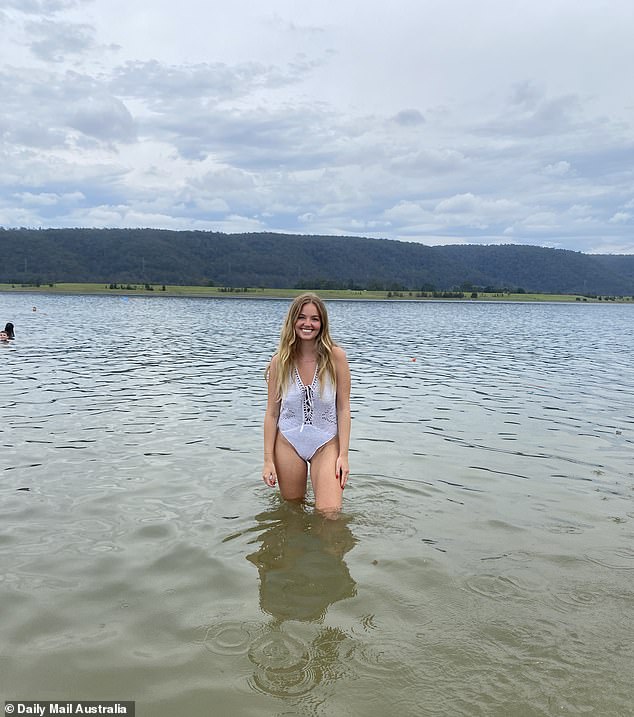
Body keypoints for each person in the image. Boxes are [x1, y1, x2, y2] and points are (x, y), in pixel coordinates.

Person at [262, 293, 351, 514]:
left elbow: (344, 408)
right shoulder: (279, 362)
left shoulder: (336, 357)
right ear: (293, 321)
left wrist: (344, 455)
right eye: (302, 317)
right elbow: (272, 414)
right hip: (288, 443)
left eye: (315, 319)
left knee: (330, 514)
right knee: (293, 514)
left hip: (327, 442)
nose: (308, 324)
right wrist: (268, 461)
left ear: (322, 324)